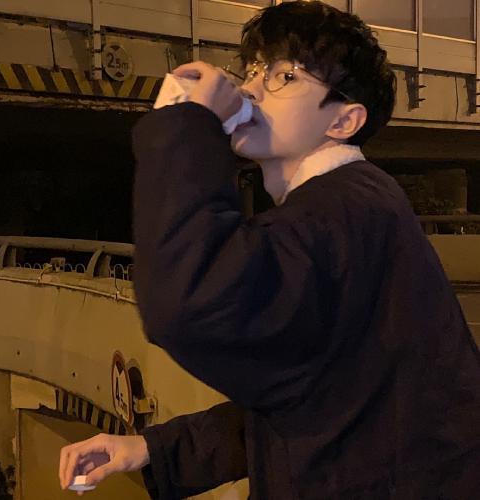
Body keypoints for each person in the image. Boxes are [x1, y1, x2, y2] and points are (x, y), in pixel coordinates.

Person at [59, 1, 480, 498]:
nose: (251, 88)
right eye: (254, 70)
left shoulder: (337, 214)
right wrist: (156, 448)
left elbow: (190, 303)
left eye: (285, 77)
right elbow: (312, 393)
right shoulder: (358, 203)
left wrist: (188, 126)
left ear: (343, 121)